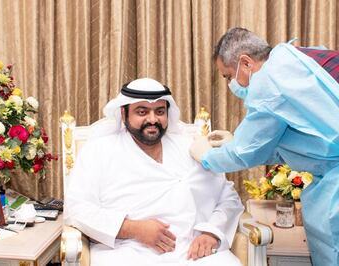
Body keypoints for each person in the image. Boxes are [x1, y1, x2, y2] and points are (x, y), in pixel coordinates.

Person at [190, 27, 339, 266]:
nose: (231, 85)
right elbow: (306, 139)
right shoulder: (294, 58)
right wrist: (233, 141)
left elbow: (243, 153)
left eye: (228, 76)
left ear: (246, 62)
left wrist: (207, 156)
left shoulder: (268, 81)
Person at [65, 78, 244, 266]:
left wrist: (211, 232)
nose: (152, 119)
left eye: (160, 112)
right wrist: (133, 229)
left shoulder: (190, 147)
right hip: (125, 249)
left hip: (191, 250)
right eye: (142, 112)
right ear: (123, 113)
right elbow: (77, 208)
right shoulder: (99, 150)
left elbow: (228, 197)